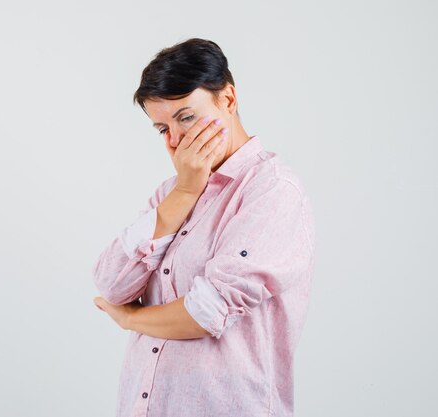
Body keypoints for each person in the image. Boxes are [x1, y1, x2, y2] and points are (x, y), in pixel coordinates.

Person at [91, 37, 316, 417]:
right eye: (162, 129)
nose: (176, 141)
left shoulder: (272, 190)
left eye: (186, 117)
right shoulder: (173, 192)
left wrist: (131, 319)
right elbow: (111, 284)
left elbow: (206, 311)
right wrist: (183, 192)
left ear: (228, 99)